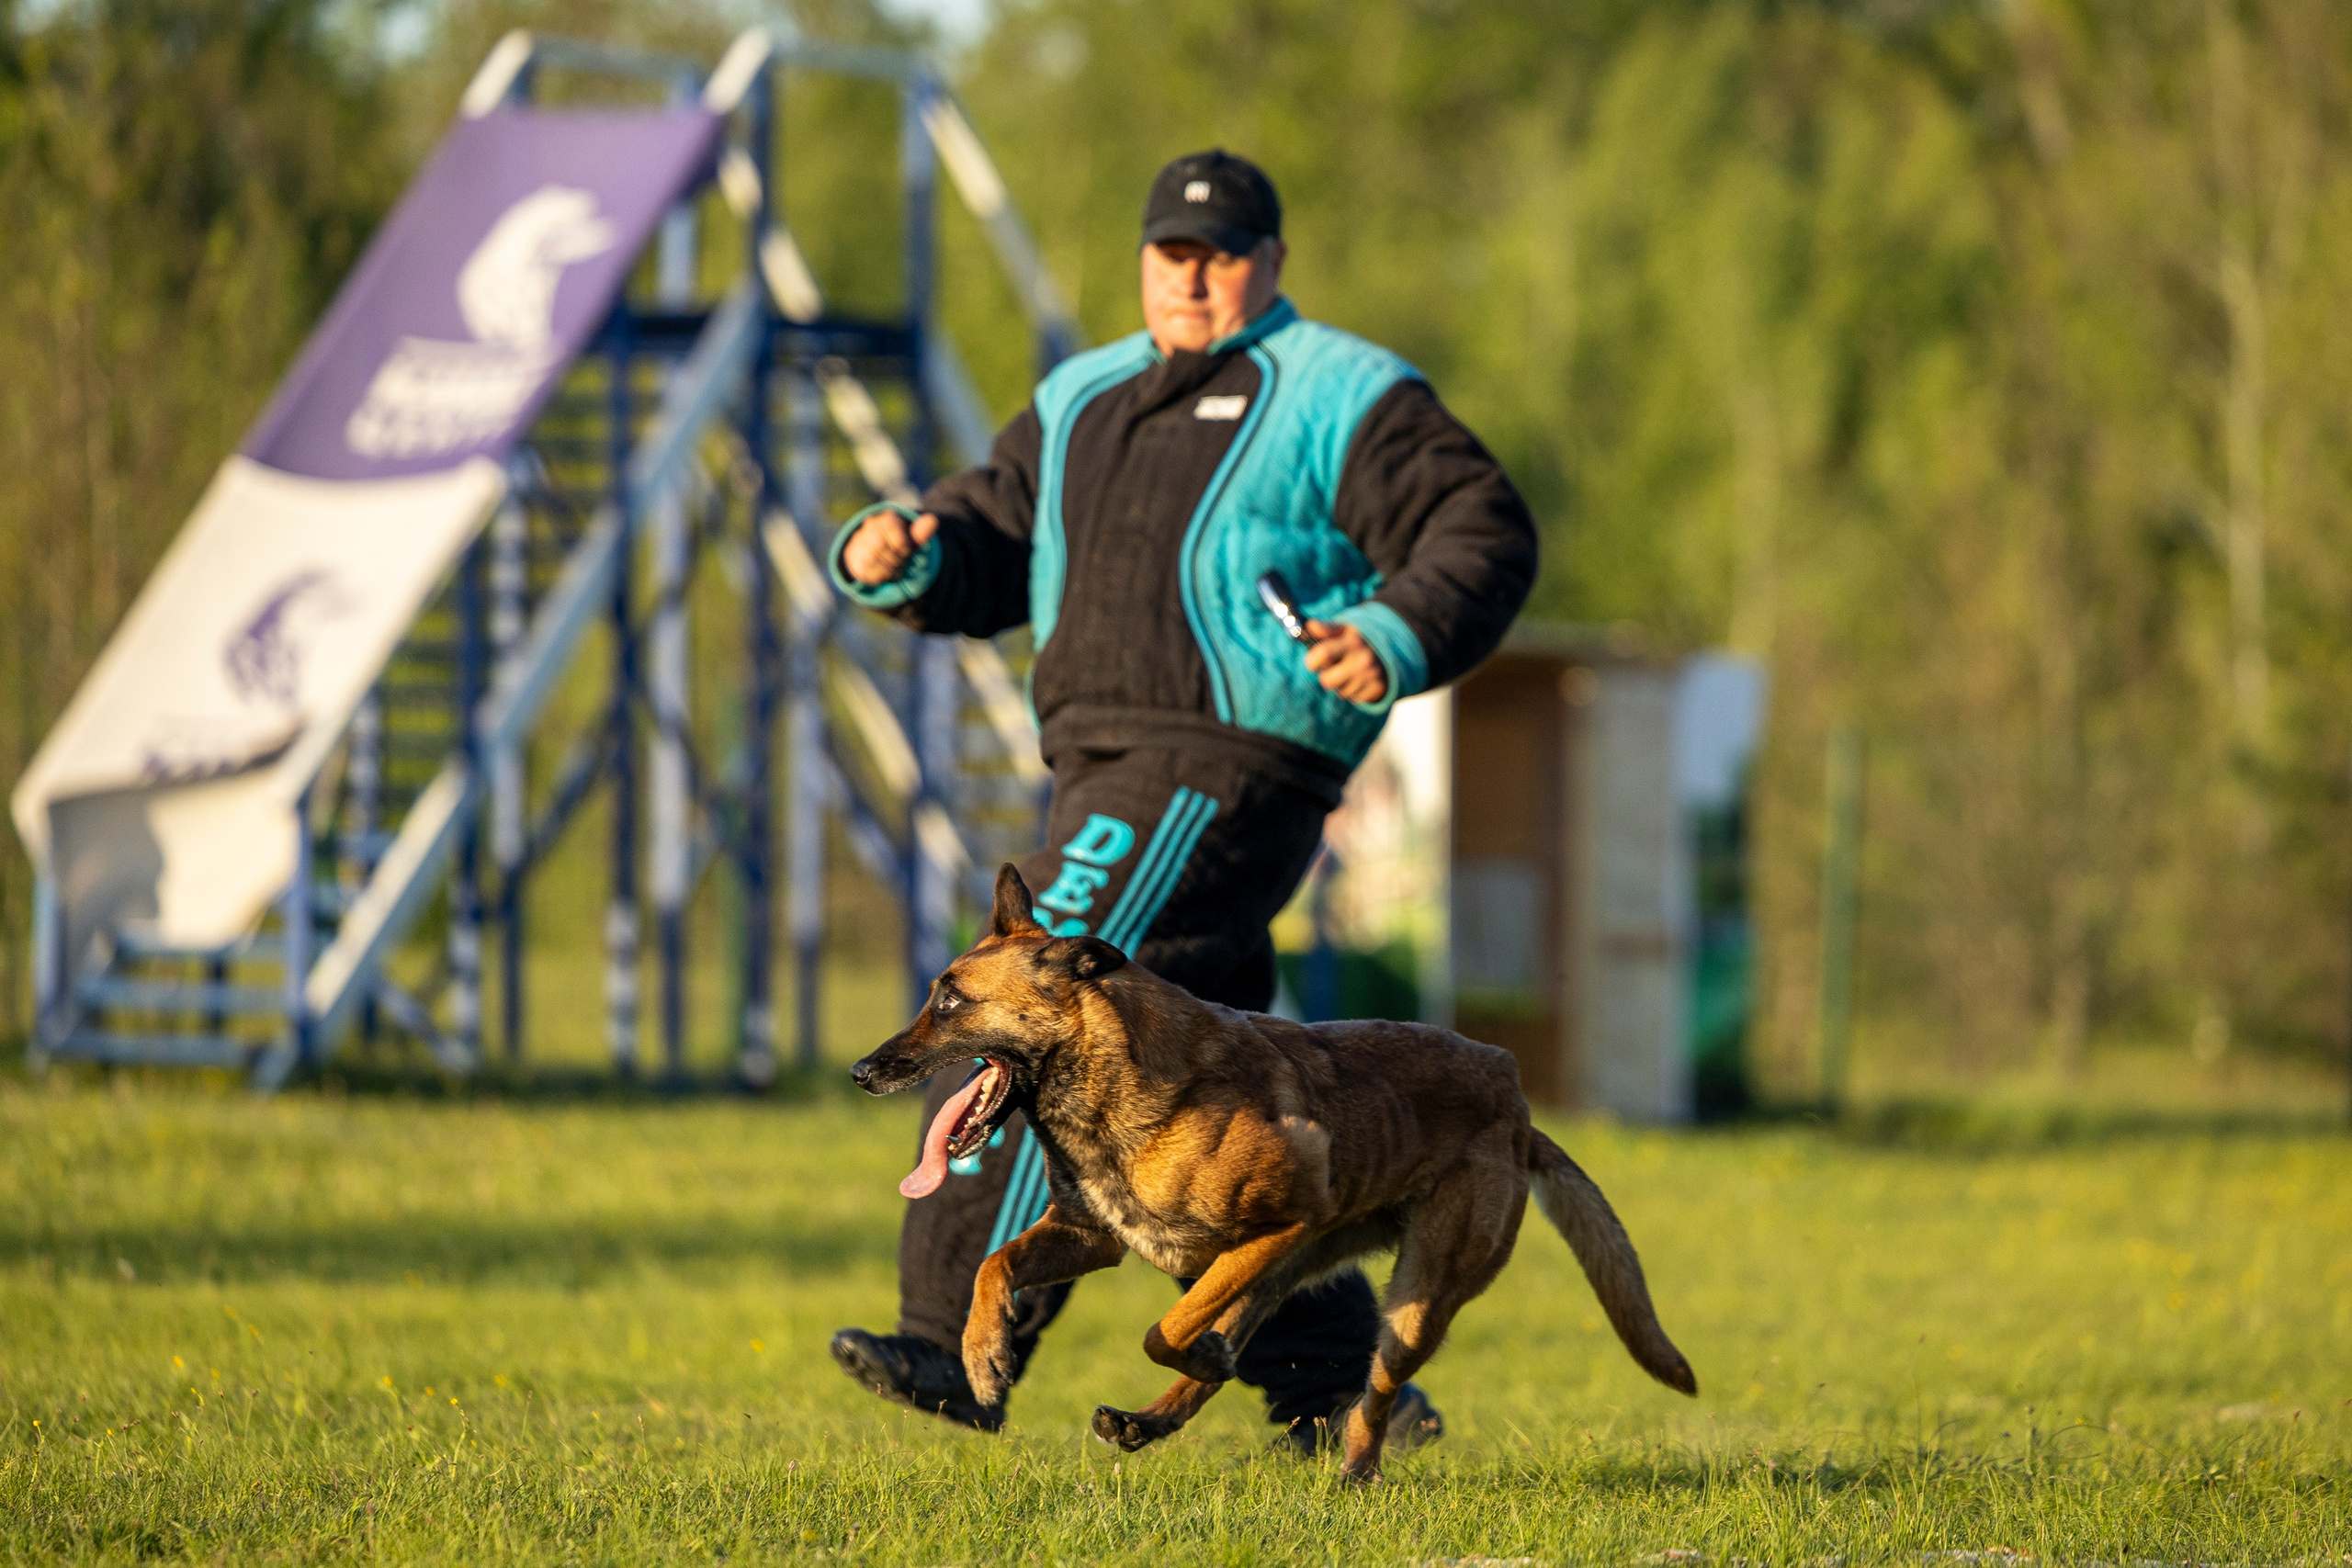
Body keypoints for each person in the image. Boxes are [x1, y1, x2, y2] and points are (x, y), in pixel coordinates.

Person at [827, 149, 1538, 1450]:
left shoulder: (1345, 390)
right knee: (1225, 1083)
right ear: (1146, 258)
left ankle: (947, 1338)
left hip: (1229, 755)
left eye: (1221, 252)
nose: (1192, 274)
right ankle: (1326, 1385)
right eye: (1172, 251)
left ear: (1269, 261)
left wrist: (1398, 623)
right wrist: (905, 552)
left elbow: (1482, 528)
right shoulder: (1082, 395)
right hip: (1097, 758)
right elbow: (986, 541)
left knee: (1027, 1009)